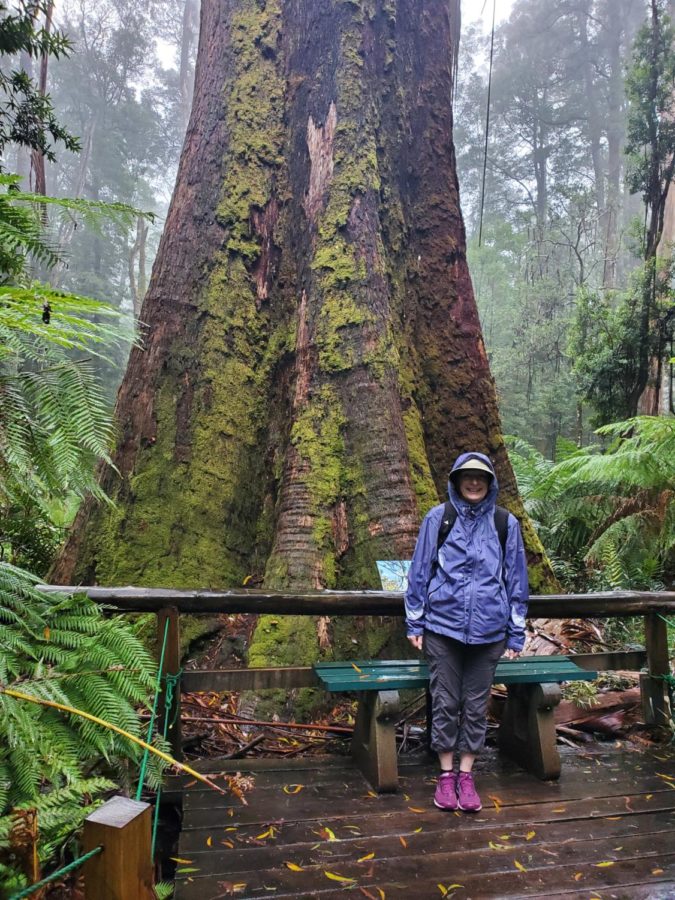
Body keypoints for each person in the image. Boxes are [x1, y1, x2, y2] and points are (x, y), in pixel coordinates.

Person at [404, 451, 529, 812]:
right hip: (442, 629)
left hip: (490, 633)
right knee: (445, 702)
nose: (473, 482)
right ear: (456, 481)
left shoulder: (506, 523)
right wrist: (415, 621)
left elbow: (517, 580)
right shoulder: (438, 518)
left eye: (481, 477)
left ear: (490, 483)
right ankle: (445, 775)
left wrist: (516, 632)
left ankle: (467, 774)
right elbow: (420, 572)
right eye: (467, 476)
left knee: (476, 707)